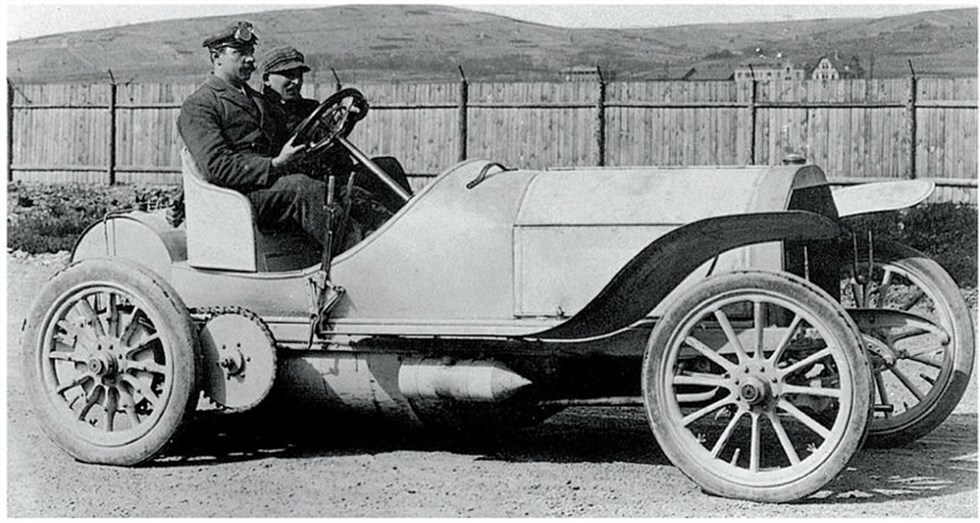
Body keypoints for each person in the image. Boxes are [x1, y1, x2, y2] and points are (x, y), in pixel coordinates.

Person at [177, 21, 328, 246]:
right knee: (303, 189)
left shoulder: (257, 99)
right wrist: (274, 164)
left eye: (251, 52)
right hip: (233, 198)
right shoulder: (200, 105)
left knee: (347, 187)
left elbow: (291, 129)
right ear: (217, 57)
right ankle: (357, 260)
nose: (250, 59)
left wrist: (331, 122)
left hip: (267, 189)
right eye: (240, 52)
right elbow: (217, 166)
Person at [258, 45, 413, 215]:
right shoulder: (263, 113)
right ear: (267, 79)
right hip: (308, 185)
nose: (296, 82)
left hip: (336, 172)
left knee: (387, 166)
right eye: (288, 75)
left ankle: (412, 215)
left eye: (299, 75)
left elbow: (330, 138)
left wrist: (348, 118)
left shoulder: (310, 107)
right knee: (362, 199)